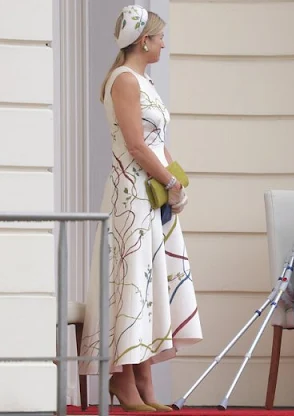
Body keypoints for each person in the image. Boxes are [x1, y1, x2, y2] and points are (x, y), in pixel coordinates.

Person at [79, 5, 202, 412]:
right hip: (131, 196)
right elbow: (135, 144)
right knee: (133, 280)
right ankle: (121, 377)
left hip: (154, 194)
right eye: (159, 36)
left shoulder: (145, 81)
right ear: (143, 40)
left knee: (152, 287)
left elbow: (157, 142)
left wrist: (179, 181)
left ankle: (144, 379)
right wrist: (168, 182)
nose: (164, 43)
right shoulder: (124, 80)